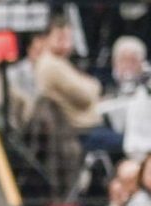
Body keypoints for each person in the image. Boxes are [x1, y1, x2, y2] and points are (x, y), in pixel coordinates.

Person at [32, 15, 114, 153]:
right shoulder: (51, 64)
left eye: (68, 38)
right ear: (46, 39)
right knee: (126, 142)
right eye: (60, 38)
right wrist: (93, 86)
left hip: (84, 128)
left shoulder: (61, 62)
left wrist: (90, 86)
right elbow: (85, 97)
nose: (65, 43)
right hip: (78, 132)